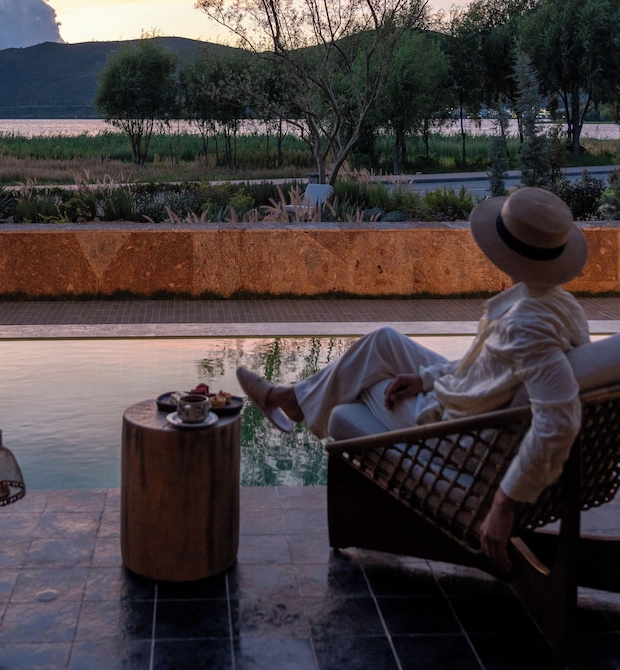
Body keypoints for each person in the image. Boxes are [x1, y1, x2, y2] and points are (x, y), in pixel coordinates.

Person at [237, 186, 590, 572]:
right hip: (470, 400)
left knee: (362, 387)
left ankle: (292, 401)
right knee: (383, 342)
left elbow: (559, 421)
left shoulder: (529, 327)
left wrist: (505, 504)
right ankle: (293, 398)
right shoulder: (558, 304)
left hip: (460, 433)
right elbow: (491, 369)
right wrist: (425, 378)